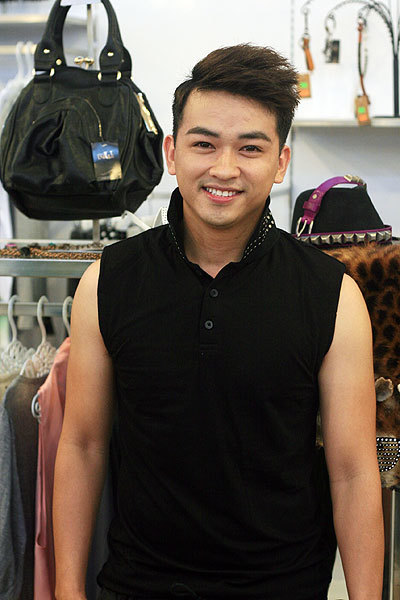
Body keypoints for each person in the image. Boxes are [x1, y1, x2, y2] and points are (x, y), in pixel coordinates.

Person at [53, 44, 384, 600]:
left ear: (280, 162)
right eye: (203, 144)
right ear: (172, 152)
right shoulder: (108, 282)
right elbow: (82, 445)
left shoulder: (332, 296)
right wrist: (67, 589)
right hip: (139, 584)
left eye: (250, 148)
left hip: (284, 587)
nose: (224, 169)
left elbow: (353, 472)